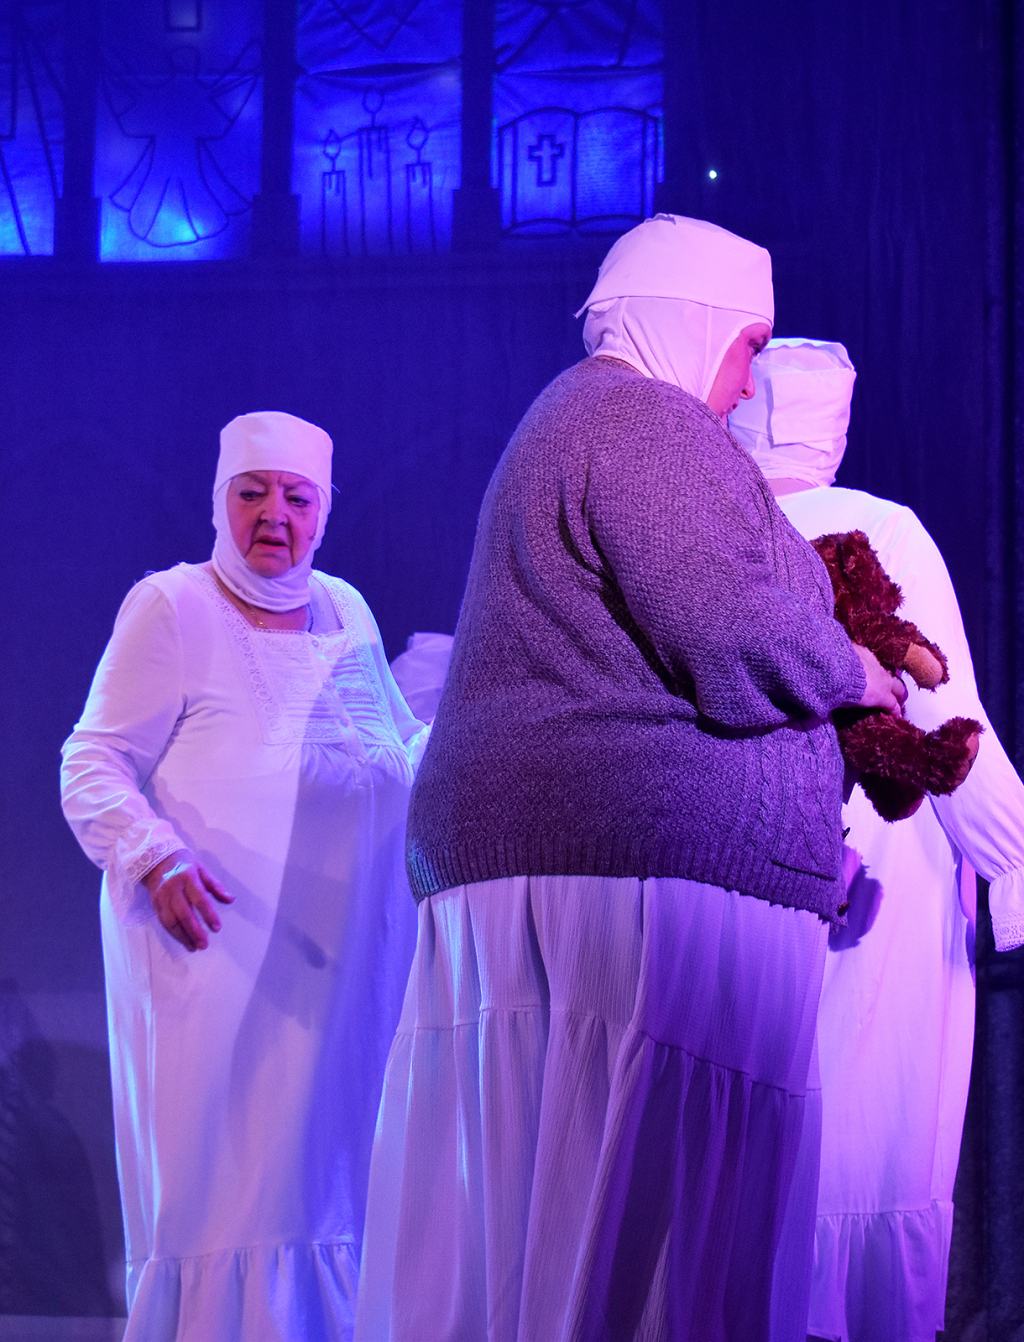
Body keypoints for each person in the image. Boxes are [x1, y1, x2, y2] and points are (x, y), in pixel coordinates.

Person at [354, 215, 906, 1342]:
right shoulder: (642, 417)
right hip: (632, 876)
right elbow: (724, 621)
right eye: (748, 345)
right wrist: (853, 669)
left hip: (570, 861)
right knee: (648, 1228)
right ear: (691, 322)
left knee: (548, 1214)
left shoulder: (588, 417)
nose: (747, 383)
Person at [60, 411, 425, 1342]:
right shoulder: (172, 607)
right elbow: (91, 760)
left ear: (325, 511)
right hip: (217, 967)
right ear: (219, 501)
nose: (275, 516)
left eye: (297, 498)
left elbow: (398, 747)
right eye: (252, 493)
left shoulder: (347, 610)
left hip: (345, 980)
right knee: (230, 1203)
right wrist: (153, 854)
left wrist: (489, 727)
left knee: (338, 1189)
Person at [729, 338, 1024, 1342]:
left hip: (749, 858)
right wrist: (1014, 862)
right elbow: (945, 716)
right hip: (886, 860)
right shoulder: (881, 527)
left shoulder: (712, 534)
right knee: (875, 1130)